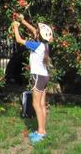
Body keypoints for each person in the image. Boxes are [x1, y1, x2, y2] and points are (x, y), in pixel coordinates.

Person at [11, 14, 53, 144]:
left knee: (36, 104)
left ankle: (40, 132)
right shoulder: (44, 44)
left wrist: (16, 27)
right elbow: (34, 30)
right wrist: (23, 21)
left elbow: (18, 40)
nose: (36, 31)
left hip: (38, 77)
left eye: (37, 32)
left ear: (39, 36)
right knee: (42, 104)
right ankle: (42, 131)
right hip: (44, 76)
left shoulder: (35, 45)